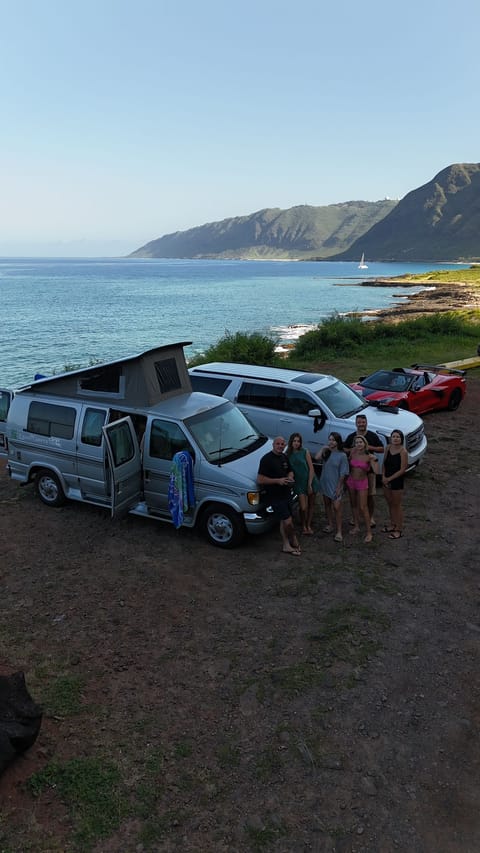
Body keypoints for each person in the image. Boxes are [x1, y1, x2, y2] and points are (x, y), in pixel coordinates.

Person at [257, 436, 301, 556]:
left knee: (284, 520)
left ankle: (286, 544)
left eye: (282, 444)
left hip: (286, 493)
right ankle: (293, 538)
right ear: (273, 445)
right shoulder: (266, 459)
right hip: (274, 496)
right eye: (278, 444)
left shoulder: (284, 456)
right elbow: (260, 479)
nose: (280, 446)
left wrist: (290, 477)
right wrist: (277, 481)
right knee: (288, 522)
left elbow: (290, 471)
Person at [344, 414, 383, 528]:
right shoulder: (352, 437)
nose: (361, 424)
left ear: (366, 423)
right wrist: (354, 449)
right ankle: (355, 517)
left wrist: (369, 447)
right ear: (356, 424)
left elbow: (381, 449)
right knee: (354, 496)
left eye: (363, 422)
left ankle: (370, 517)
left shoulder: (372, 436)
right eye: (359, 422)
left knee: (370, 496)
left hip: (369, 472)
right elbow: (345, 448)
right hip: (354, 472)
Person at [315, 432, 349, 542]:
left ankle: (339, 531)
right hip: (325, 482)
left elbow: (343, 474)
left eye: (333, 440)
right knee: (327, 504)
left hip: (335, 484)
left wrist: (339, 487)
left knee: (337, 508)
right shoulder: (327, 452)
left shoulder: (342, 456)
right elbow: (316, 457)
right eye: (329, 439)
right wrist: (323, 448)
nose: (331, 442)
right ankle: (330, 524)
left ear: (338, 441)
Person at [347, 434, 379, 543]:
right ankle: (356, 526)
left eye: (360, 442)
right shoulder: (353, 452)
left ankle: (369, 532)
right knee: (353, 504)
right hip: (351, 481)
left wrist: (374, 460)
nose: (358, 444)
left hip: (362, 482)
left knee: (363, 506)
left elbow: (376, 470)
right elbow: (349, 464)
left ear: (365, 443)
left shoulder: (369, 456)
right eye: (357, 442)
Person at [286, 432, 318, 534]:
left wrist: (309, 484)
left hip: (310, 480)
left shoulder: (305, 451)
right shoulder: (287, 455)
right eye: (294, 441)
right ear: (291, 442)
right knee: (303, 507)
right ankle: (303, 524)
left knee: (311, 504)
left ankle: (308, 525)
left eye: (298, 441)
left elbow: (311, 468)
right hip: (299, 483)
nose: (296, 443)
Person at [382, 429, 408, 539]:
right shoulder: (387, 448)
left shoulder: (403, 452)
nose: (395, 438)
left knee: (397, 505)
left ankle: (399, 529)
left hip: (396, 480)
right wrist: (383, 476)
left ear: (401, 439)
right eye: (394, 436)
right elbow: (384, 464)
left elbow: (402, 469)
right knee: (390, 503)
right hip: (386, 479)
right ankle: (392, 524)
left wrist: (389, 479)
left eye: (398, 437)